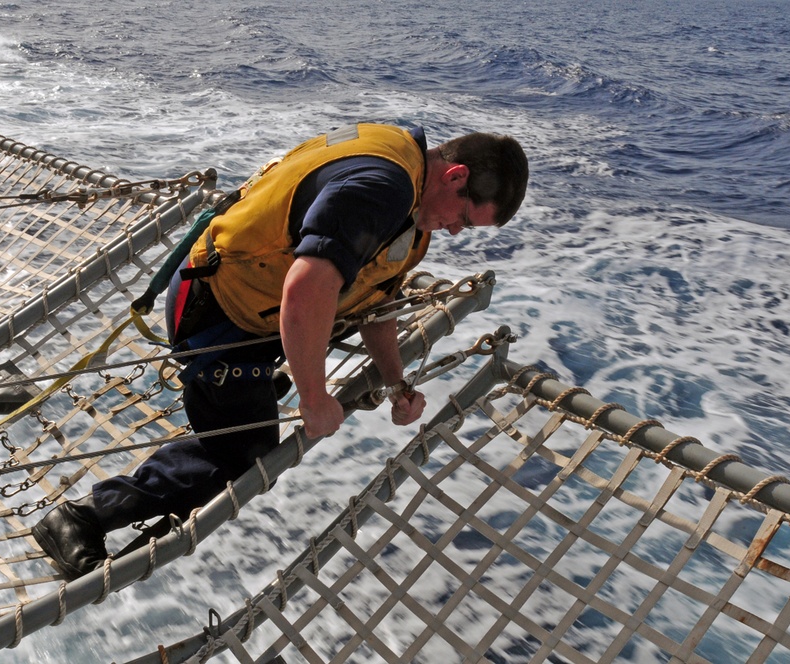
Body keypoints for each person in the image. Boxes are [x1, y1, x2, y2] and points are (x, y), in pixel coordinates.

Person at [31, 123, 529, 579]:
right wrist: (314, 398)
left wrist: (396, 380)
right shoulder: (384, 188)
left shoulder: (409, 183)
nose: (458, 231)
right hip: (218, 315)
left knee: (251, 419)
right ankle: (80, 517)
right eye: (465, 217)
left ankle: (256, 386)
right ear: (456, 175)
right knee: (244, 454)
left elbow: (382, 299)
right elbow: (306, 289)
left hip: (256, 314)